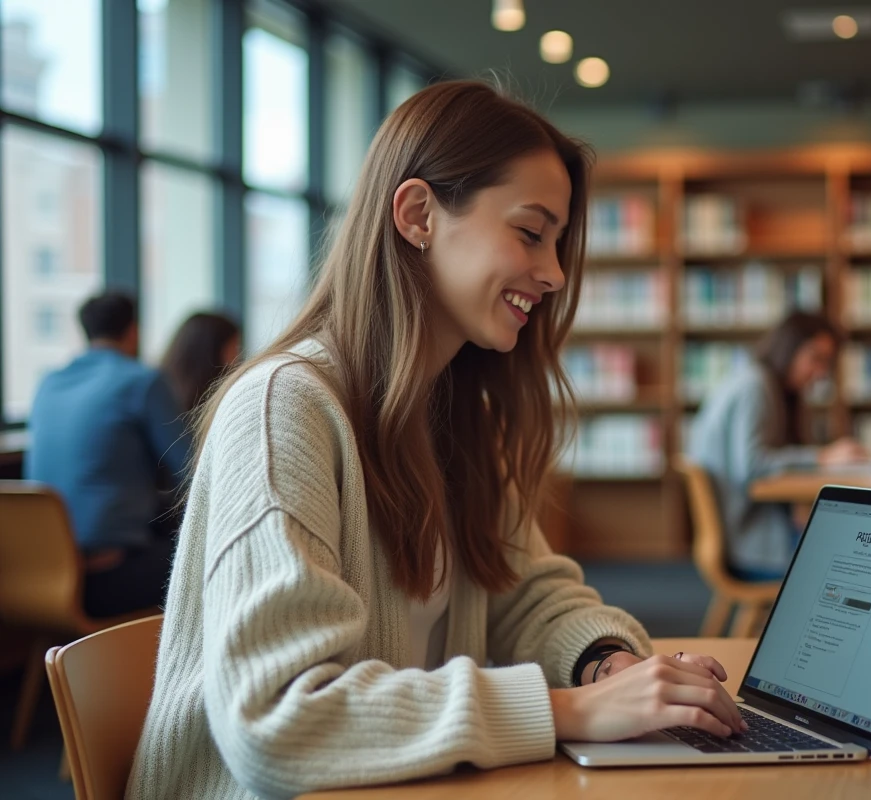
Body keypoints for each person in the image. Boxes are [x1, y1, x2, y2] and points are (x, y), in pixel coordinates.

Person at [126, 81, 745, 800]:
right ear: (418, 214)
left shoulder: (455, 413)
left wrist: (608, 666)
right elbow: (278, 722)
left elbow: (527, 597)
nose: (554, 273)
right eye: (529, 232)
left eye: (558, 242)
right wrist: (571, 710)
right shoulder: (281, 409)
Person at [25, 292, 190, 617]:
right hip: (105, 577)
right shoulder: (143, 381)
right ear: (133, 332)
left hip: (35, 575)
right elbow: (192, 470)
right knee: (202, 560)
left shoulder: (48, 383)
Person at [686, 312, 868, 581]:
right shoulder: (755, 387)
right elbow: (752, 467)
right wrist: (823, 458)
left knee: (852, 545)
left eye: (826, 364)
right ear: (789, 348)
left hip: (753, 533)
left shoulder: (764, 383)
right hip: (751, 546)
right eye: (815, 359)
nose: (819, 373)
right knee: (856, 562)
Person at [160, 311, 241, 414]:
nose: (238, 357)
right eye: (234, 348)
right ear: (212, 352)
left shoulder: (163, 391)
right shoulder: (218, 405)